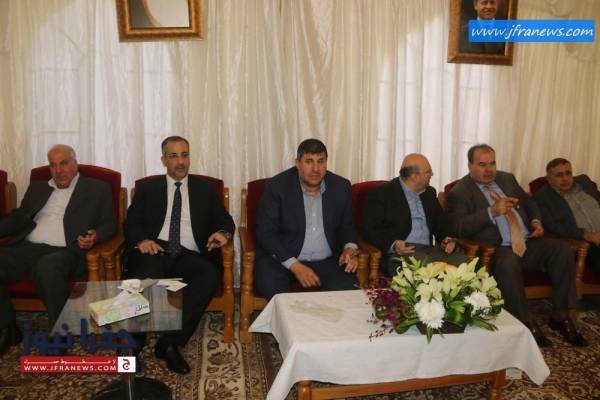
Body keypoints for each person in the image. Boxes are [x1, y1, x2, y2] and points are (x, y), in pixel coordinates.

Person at [446, 144, 587, 347]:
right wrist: (491, 212)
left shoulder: (507, 179)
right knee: (508, 262)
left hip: (528, 241)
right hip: (497, 249)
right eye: (482, 165)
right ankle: (524, 321)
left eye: (492, 163)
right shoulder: (460, 192)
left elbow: (529, 203)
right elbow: (458, 227)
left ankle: (560, 315)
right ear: (470, 165)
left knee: (561, 250)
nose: (489, 170)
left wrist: (536, 221)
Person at [123, 136, 234, 374]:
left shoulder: (205, 189)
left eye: (184, 155)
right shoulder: (148, 189)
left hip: (188, 254)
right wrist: (142, 240)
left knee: (209, 275)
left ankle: (170, 342)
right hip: (155, 249)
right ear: (163, 160)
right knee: (147, 274)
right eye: (173, 156)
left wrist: (223, 233)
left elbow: (225, 220)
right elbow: (131, 222)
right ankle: (132, 345)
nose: (180, 161)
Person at [0, 145, 117, 355]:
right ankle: (7, 328)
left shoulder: (97, 188)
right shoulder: (38, 187)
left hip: (68, 251)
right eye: (53, 165)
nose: (58, 170)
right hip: (27, 248)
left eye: (63, 163)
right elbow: (19, 217)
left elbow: (110, 223)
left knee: (48, 266)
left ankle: (61, 334)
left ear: (75, 164)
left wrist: (95, 237)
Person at [254, 138, 359, 299]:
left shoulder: (340, 186)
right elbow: (266, 233)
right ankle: (291, 315)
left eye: (320, 161)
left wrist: (349, 249)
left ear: (326, 163)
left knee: (349, 292)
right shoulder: (277, 186)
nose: (315, 169)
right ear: (297, 163)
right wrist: (295, 265)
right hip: (284, 259)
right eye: (309, 161)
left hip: (328, 261)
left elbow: (348, 227)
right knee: (269, 279)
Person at [361, 154, 468, 277]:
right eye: (428, 172)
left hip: (429, 251)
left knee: (466, 263)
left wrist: (447, 239)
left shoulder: (429, 193)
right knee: (425, 267)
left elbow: (441, 223)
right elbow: (370, 230)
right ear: (414, 176)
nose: (432, 174)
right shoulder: (381, 193)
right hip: (400, 254)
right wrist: (393, 244)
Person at [534, 158, 600, 278]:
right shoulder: (542, 197)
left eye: (568, 173)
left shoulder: (584, 182)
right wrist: (587, 235)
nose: (565, 178)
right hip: (582, 242)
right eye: (559, 175)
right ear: (549, 179)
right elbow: (553, 226)